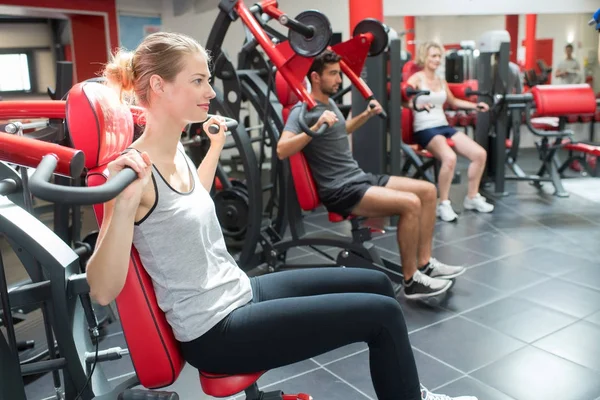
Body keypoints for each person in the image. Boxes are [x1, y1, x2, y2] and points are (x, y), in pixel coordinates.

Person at [86, 32, 477, 400]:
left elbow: (188, 202)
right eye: (198, 81)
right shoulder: (132, 173)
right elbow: (102, 290)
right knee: (383, 314)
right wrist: (120, 204)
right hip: (216, 331)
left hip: (238, 293)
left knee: (375, 282)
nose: (210, 92)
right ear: (158, 86)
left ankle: (407, 387)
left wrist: (215, 146)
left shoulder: (176, 152)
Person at [277, 49, 467, 300]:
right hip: (340, 189)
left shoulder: (328, 103)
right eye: (333, 74)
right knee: (410, 204)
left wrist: (366, 115)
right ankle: (412, 281)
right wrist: (314, 127)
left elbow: (340, 131)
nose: (338, 80)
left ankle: (425, 263)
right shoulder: (302, 111)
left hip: (358, 177)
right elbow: (282, 150)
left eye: (338, 74)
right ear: (315, 77)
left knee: (428, 191)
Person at [405, 41, 494, 222]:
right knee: (449, 158)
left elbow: (453, 102)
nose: (437, 60)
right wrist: (418, 103)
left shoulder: (440, 80)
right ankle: (443, 204)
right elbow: (405, 98)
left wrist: (475, 106)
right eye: (433, 56)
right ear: (424, 57)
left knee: (479, 154)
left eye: (439, 56)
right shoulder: (416, 79)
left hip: (443, 125)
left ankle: (472, 197)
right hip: (424, 127)